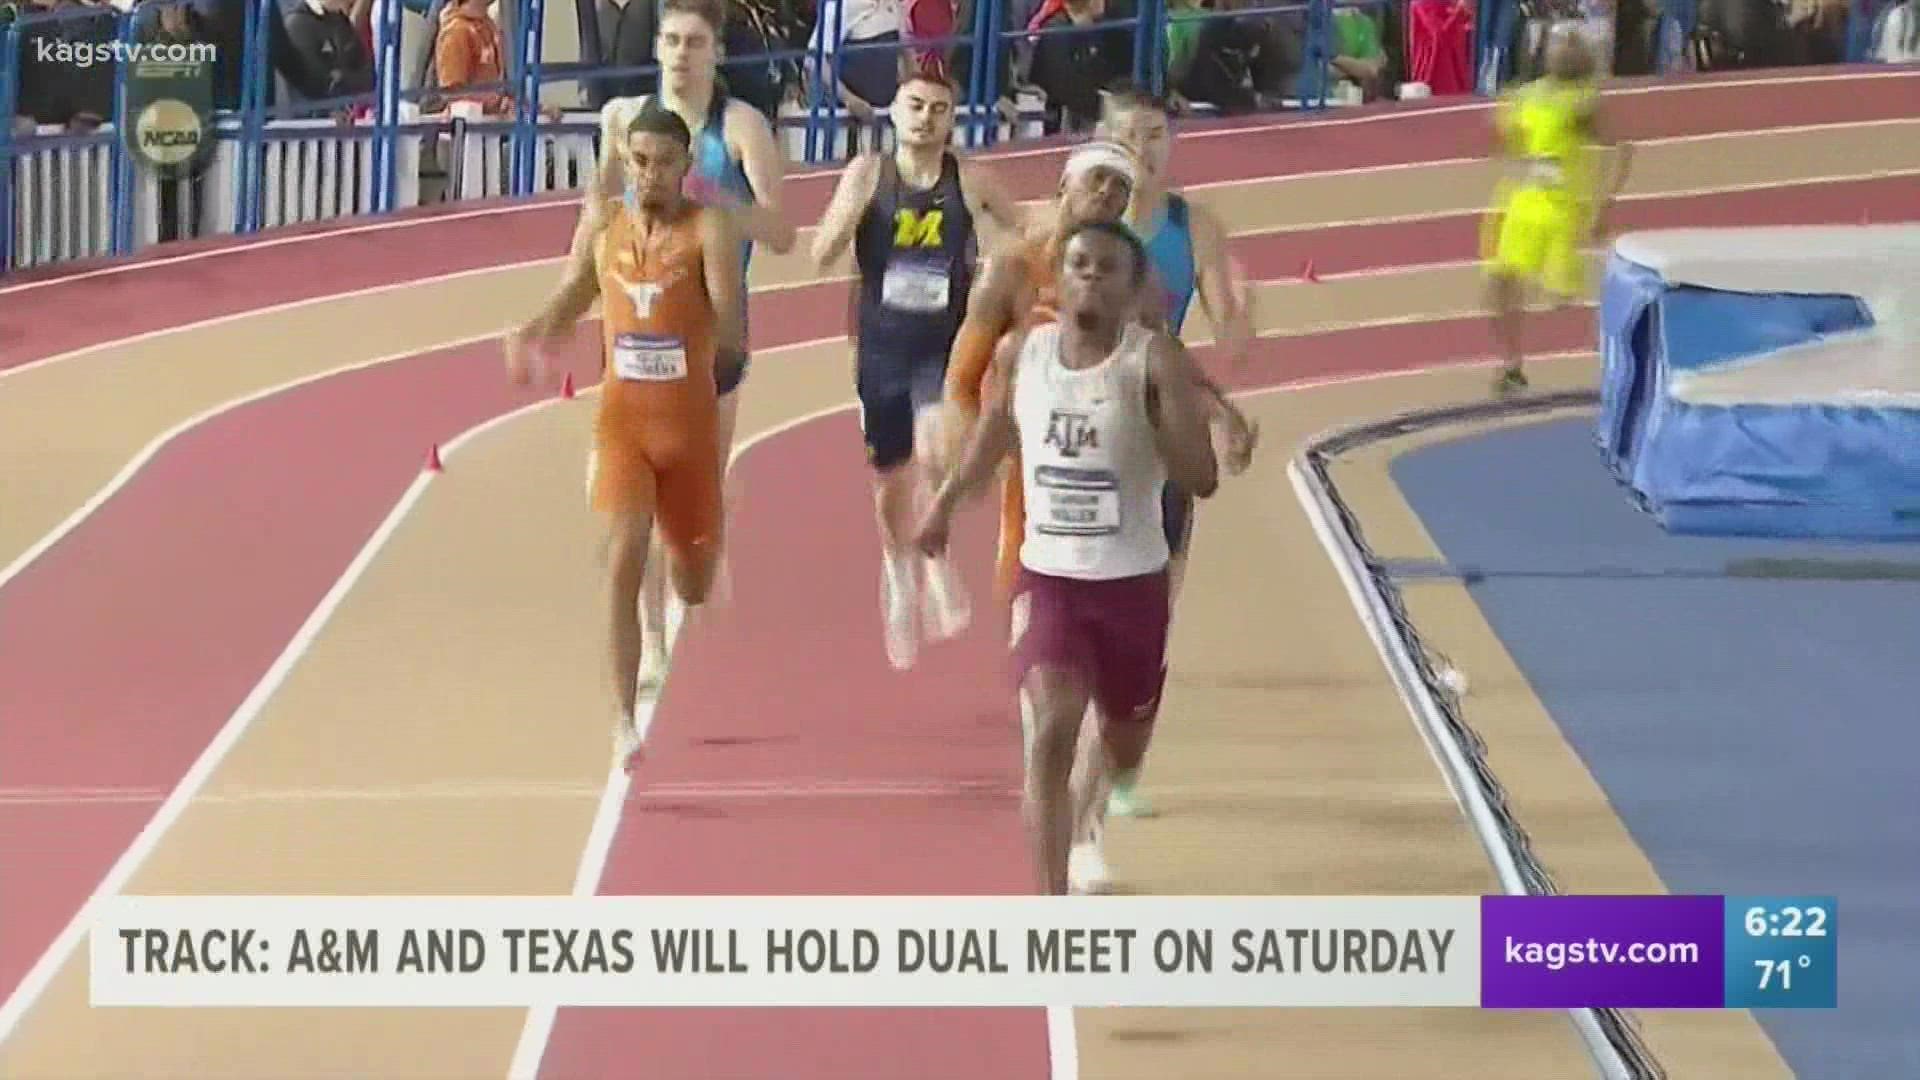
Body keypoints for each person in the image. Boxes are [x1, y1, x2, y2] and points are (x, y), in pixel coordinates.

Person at [913, 221, 1220, 897]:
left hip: (1133, 585)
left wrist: (1165, 416)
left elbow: (1201, 478)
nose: (1089, 276)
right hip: (1050, 577)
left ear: (1135, 288)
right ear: (1059, 274)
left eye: (1107, 267)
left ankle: (1098, 796)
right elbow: (993, 435)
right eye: (1078, 263)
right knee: (1052, 730)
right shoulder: (1027, 353)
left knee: (1124, 747)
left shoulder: (1154, 360)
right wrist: (943, 505)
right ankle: (1050, 915)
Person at [1051, 86, 1261, 892]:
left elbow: (1214, 331)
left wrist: (1235, 351)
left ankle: (1089, 820)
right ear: (1101, 147)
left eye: (1156, 134)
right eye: (1128, 135)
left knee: (1143, 630)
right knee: (1062, 635)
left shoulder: (1191, 228)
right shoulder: (1064, 244)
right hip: (1066, 453)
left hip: (1156, 447)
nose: (1144, 148)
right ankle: (1066, 794)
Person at [507, 107, 745, 765]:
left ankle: (708, 540)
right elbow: (579, 291)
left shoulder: (708, 228)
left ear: (685, 165)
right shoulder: (607, 224)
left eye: (664, 162)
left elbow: (732, 324)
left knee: (693, 583)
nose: (650, 174)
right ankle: (622, 720)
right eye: (639, 160)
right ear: (626, 160)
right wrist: (535, 329)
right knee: (622, 560)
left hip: (688, 425)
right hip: (623, 423)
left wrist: (716, 359)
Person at [574, 0, 796, 694]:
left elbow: (782, 231)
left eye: (694, 42)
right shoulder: (624, 122)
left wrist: (710, 199)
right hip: (639, 328)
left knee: (689, 499)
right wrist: (570, 293)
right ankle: (651, 640)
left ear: (716, 51)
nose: (678, 54)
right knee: (630, 499)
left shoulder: (740, 128)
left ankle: (696, 562)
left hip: (711, 339)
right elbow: (596, 216)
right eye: (669, 40)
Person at [808, 72, 1029, 669]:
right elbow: (820, 253)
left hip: (946, 341)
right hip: (880, 345)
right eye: (914, 106)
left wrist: (1006, 275)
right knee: (891, 477)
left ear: (952, 119)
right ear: (893, 111)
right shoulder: (866, 175)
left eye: (938, 109)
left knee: (940, 452)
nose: (925, 118)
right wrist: (845, 222)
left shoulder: (972, 179)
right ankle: (896, 571)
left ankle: (932, 557)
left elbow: (1026, 229)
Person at [1481, 22, 1633, 397]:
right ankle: (1511, 366)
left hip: (1563, 208)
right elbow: (1506, 147)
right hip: (1523, 203)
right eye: (1558, 41)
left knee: (1563, 298)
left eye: (1571, 42)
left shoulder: (1585, 101)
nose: (1563, 47)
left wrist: (1603, 204)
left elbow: (1621, 149)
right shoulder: (1523, 97)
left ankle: (1622, 356)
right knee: (1499, 283)